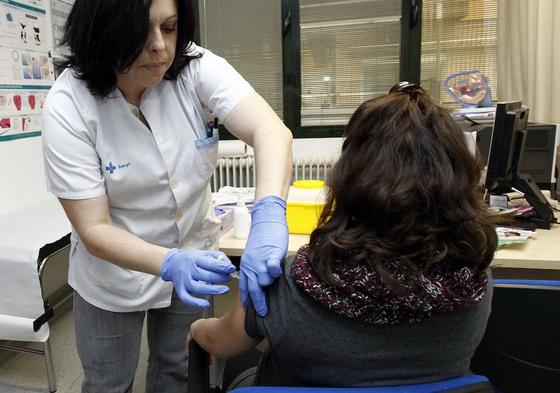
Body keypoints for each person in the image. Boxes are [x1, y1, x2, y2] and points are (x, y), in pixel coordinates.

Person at [41, 0, 292, 392]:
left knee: (180, 371)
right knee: (109, 382)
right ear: (104, 32)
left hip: (194, 254)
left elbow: (270, 131)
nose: (159, 46)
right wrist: (169, 262)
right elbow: (93, 228)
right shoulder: (68, 104)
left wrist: (270, 212)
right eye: (141, 31)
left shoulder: (194, 67)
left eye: (170, 27)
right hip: (113, 276)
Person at [189, 82, 498, 388]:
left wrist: (197, 329)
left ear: (352, 179)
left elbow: (221, 342)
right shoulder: (474, 281)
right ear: (458, 180)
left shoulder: (288, 286)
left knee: (241, 363)